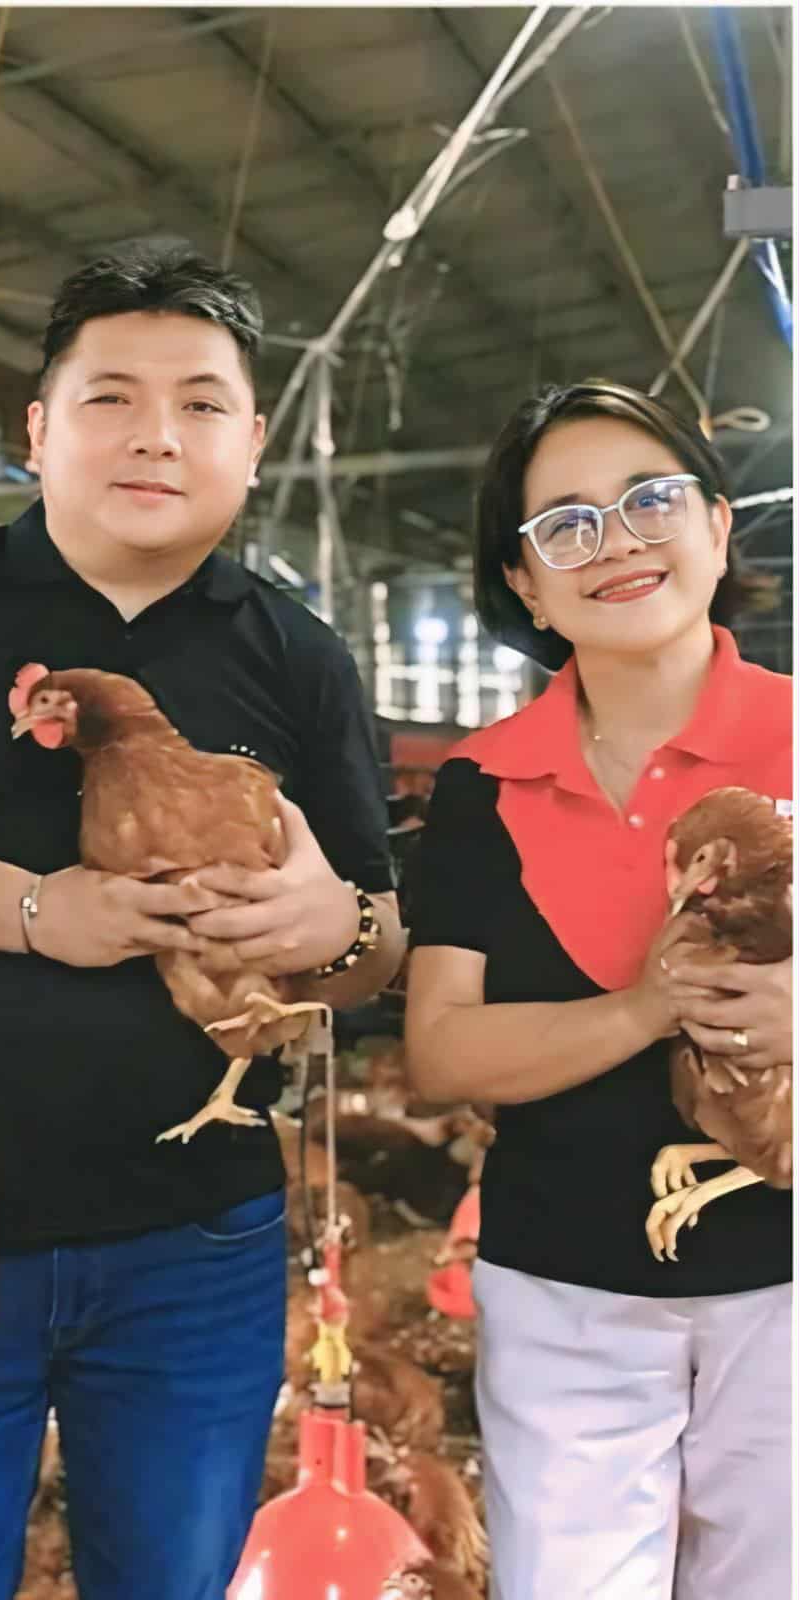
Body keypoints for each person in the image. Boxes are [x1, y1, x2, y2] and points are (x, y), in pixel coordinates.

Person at [0, 242, 405, 1600]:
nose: (156, 434)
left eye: (200, 403)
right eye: (112, 397)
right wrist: (42, 910)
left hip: (194, 1242)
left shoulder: (297, 655)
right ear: (39, 430)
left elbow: (378, 947)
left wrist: (331, 921)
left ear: (250, 445)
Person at [405, 380, 791, 1598]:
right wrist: (644, 1007)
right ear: (525, 583)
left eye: (650, 501)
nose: (616, 542)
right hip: (563, 1286)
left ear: (717, 525)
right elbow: (441, 1052)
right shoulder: (482, 784)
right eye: (566, 524)